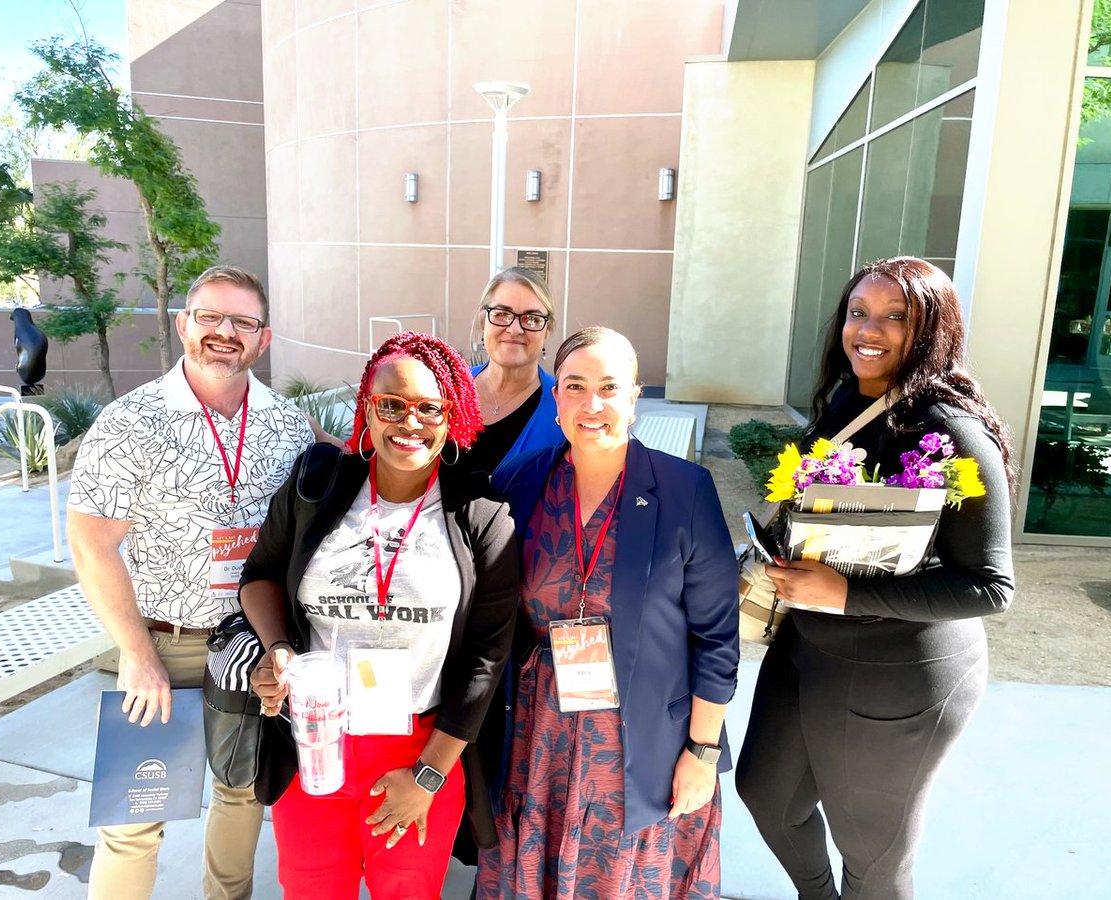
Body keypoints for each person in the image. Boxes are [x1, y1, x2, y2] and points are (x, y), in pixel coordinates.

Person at [735, 257, 1016, 900]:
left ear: (932, 329)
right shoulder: (847, 401)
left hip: (900, 675)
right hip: (808, 648)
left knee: (872, 856)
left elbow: (991, 586)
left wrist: (844, 593)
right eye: (860, 312)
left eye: (896, 317)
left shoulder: (952, 433)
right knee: (769, 797)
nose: (871, 329)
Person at [241, 331, 519, 899]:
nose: (408, 422)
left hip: (419, 750)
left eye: (427, 407)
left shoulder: (482, 517)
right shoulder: (316, 485)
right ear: (368, 409)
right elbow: (260, 577)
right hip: (315, 742)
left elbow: (485, 661)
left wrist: (430, 775)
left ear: (452, 416)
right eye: (390, 404)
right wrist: (278, 653)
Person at [67, 265, 316, 900]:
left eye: (242, 321)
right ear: (184, 325)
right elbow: (92, 545)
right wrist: (136, 653)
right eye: (209, 316)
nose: (224, 332)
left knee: (240, 797)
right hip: (163, 645)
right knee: (134, 817)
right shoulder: (132, 422)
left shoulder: (288, 426)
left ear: (264, 338)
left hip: (250, 647)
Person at [476, 326, 740, 900]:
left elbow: (717, 636)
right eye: (575, 386)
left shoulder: (684, 489)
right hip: (537, 730)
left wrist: (703, 750)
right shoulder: (521, 482)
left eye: (609, 388)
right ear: (556, 399)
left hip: (644, 738)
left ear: (634, 396)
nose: (591, 405)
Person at [465, 266, 564, 479]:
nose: (515, 329)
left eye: (532, 319)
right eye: (501, 314)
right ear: (484, 321)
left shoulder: (563, 408)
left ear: (548, 330)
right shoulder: (447, 389)